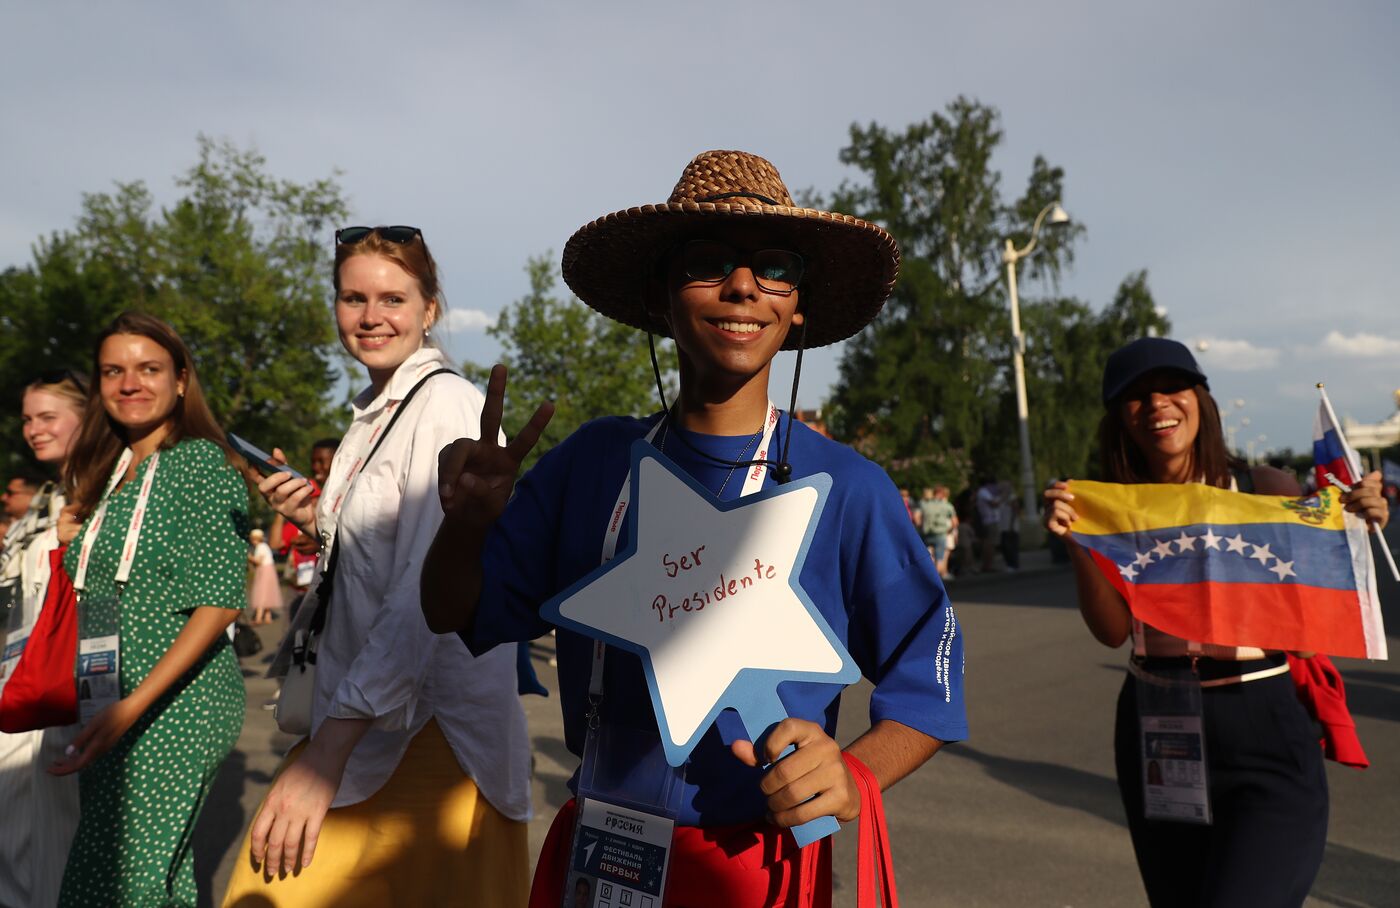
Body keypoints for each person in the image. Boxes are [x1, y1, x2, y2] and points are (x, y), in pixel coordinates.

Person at [422, 149, 968, 905]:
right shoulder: (592, 463)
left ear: (798, 304)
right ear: (659, 299)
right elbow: (453, 611)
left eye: (774, 266)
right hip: (599, 853)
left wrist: (856, 771)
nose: (743, 285)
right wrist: (465, 526)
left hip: (758, 865)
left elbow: (929, 683)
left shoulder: (850, 488)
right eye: (707, 261)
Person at [221, 225, 531, 907]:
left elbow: (423, 600)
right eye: (352, 298)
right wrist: (321, 518)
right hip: (368, 719)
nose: (370, 316)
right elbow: (387, 552)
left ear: (430, 310)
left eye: (393, 298)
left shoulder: (445, 404)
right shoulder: (375, 410)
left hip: (426, 739)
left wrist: (326, 756)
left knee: (266, 890)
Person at [1043, 337, 1390, 907]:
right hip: (1157, 720)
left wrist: (1357, 520)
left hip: (1262, 718)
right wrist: (1079, 543)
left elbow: (1311, 602)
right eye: (1135, 396)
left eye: (1172, 387)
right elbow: (1110, 632)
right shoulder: (1108, 505)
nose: (1157, 404)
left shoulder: (1263, 487)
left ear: (1200, 399)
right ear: (1119, 419)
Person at [51, 313, 249, 907]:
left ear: (182, 380)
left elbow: (219, 603)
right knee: (133, 877)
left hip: (174, 707)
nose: (129, 383)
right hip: (110, 699)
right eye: (113, 370)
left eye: (148, 368)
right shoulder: (112, 472)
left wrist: (132, 707)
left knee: (126, 883)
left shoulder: (200, 465)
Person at [0, 373, 87, 908]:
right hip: (18, 677)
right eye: (28, 418)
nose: (34, 429)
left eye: (48, 416)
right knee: (13, 824)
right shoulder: (45, 499)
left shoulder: (101, 492)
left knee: (58, 830)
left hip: (70, 687)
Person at [917, 485, 958, 579]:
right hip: (940, 533)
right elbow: (955, 522)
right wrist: (949, 530)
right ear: (942, 494)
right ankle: (937, 578)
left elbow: (917, 517)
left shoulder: (924, 504)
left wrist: (921, 527)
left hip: (925, 533)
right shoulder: (947, 505)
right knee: (939, 557)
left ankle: (927, 577)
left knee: (927, 556)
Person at [246, 528, 280, 626]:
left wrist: (249, 557)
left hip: (264, 570)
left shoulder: (261, 547)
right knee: (266, 593)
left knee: (261, 594)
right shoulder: (264, 546)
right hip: (267, 570)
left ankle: (258, 618)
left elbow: (258, 561)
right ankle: (267, 617)